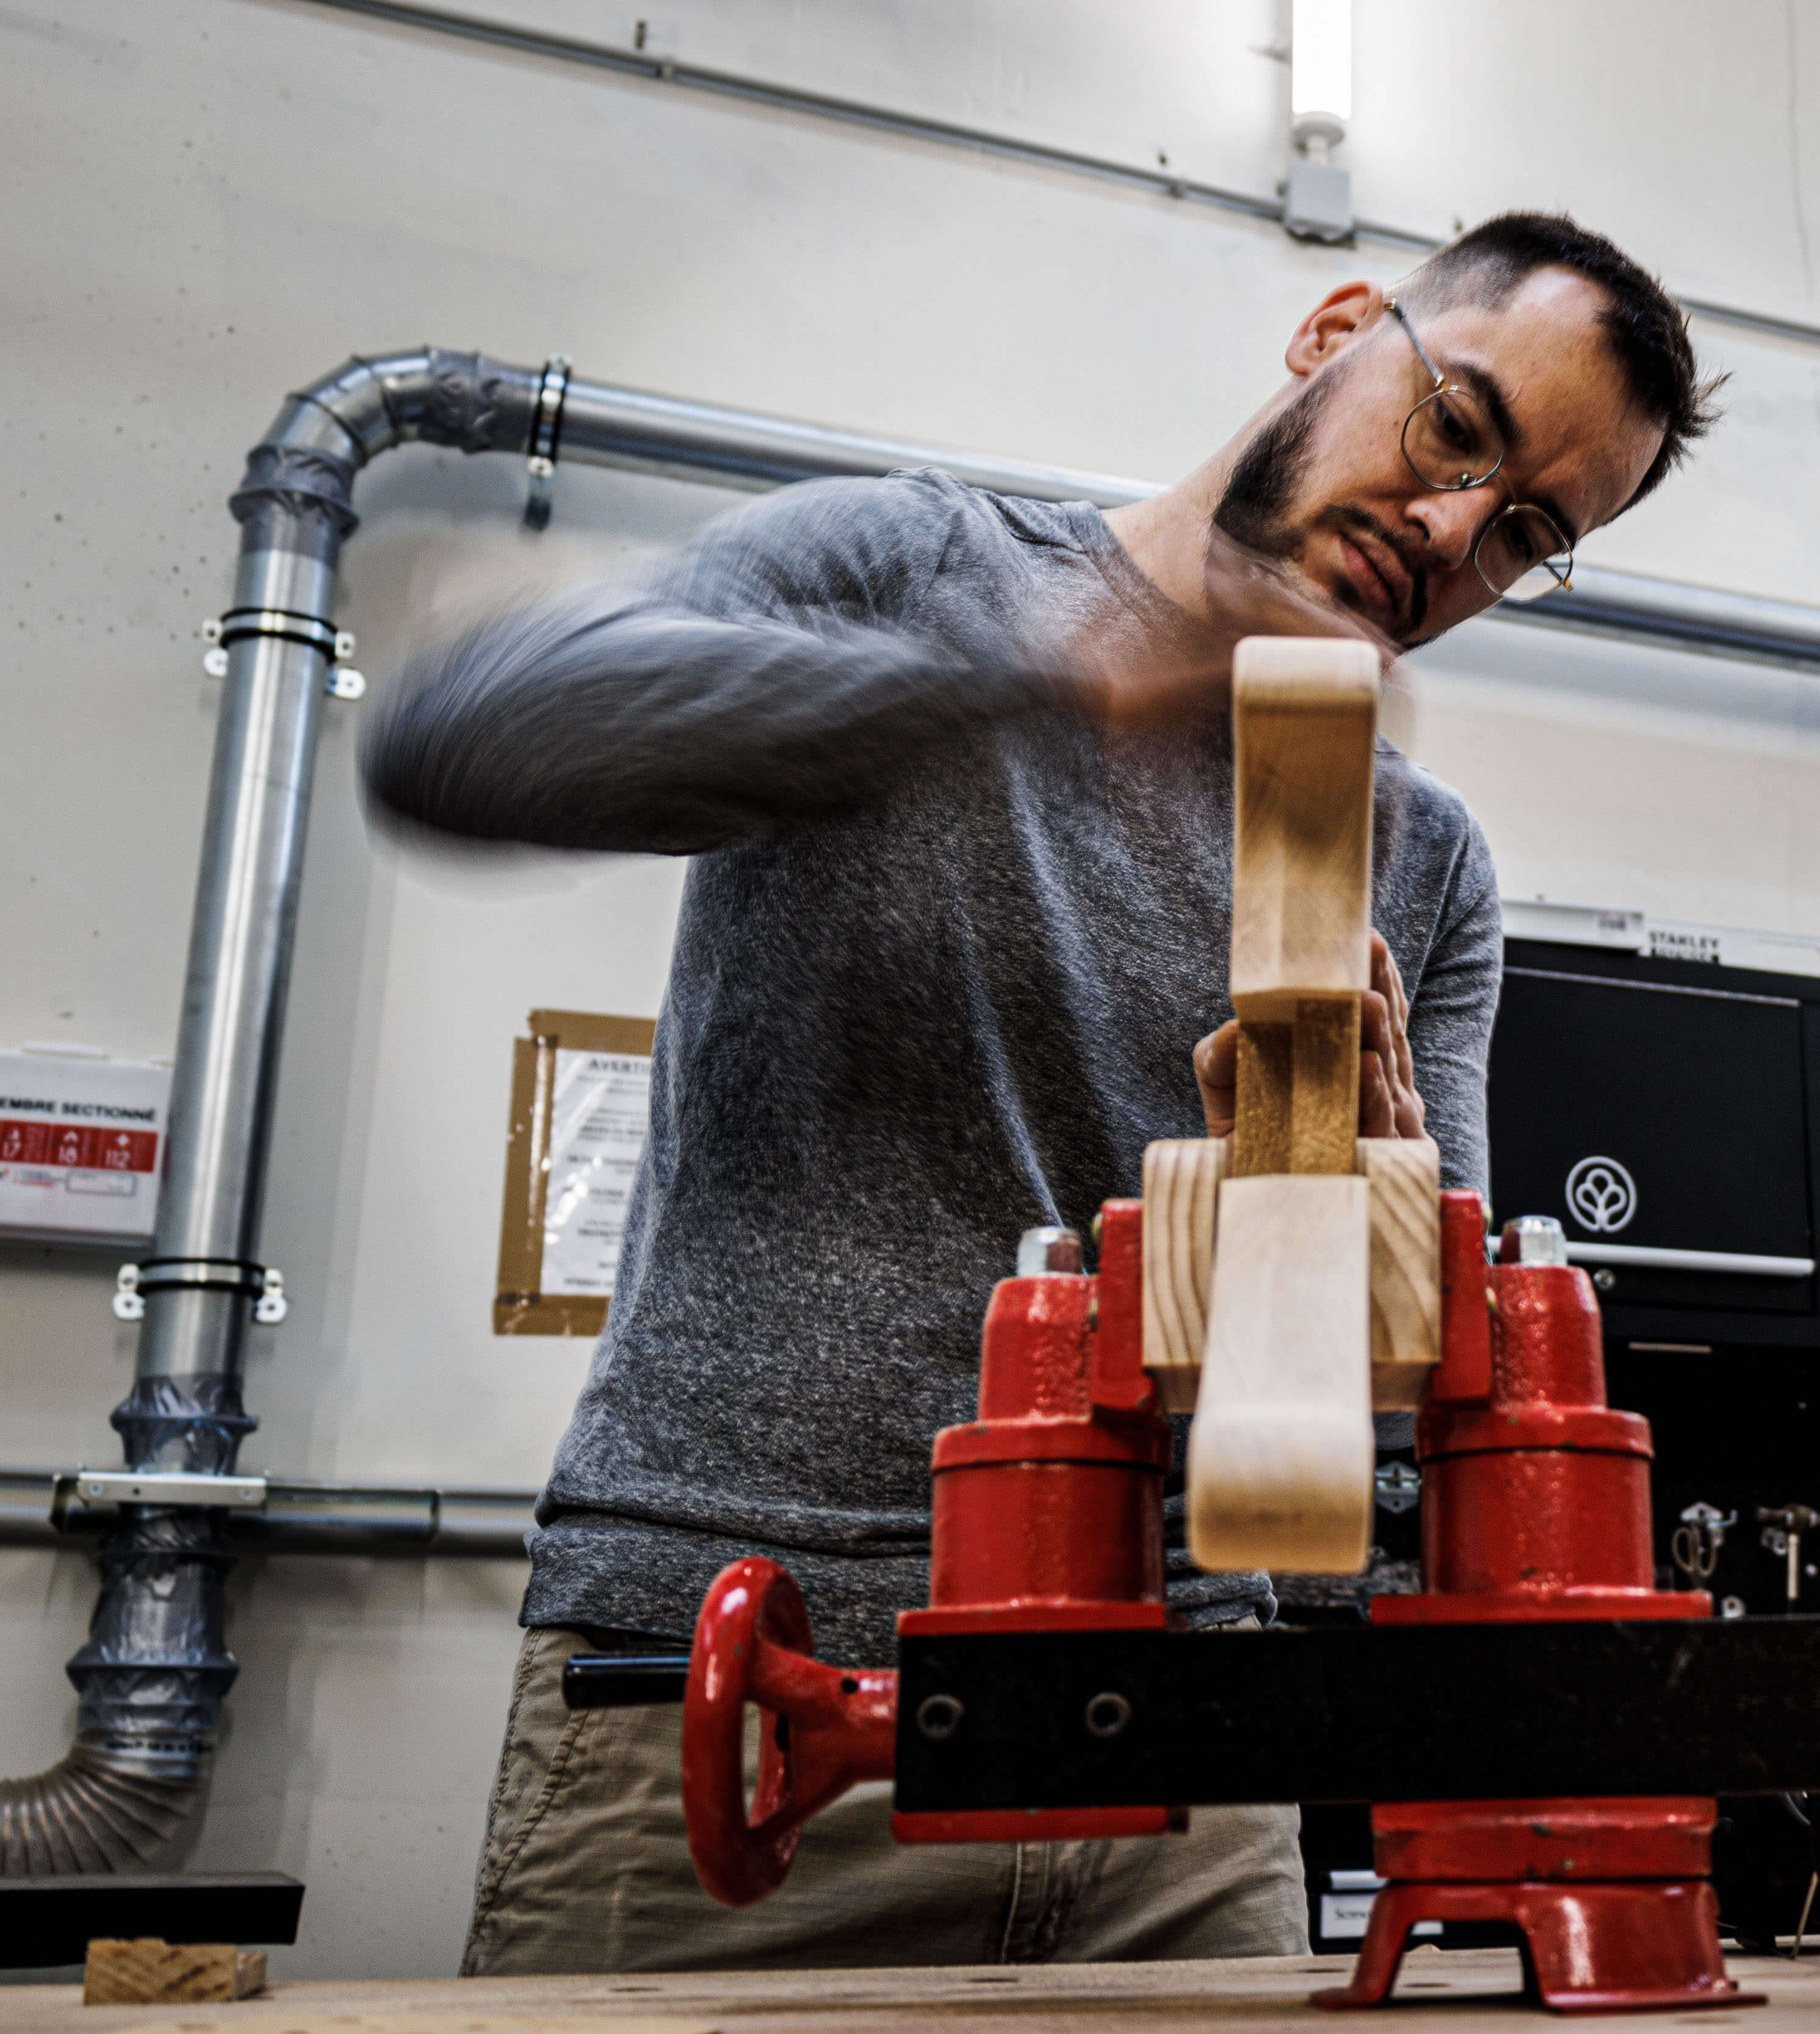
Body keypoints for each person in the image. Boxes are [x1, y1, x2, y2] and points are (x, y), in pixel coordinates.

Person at [364, 211, 1722, 1976]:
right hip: (750, 1685)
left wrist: (1382, 1220)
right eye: (1457, 427)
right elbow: (463, 735)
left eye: (1531, 531)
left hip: (1191, 1764)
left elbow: (1406, 1399)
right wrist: (1025, 686)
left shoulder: (1420, 858)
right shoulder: (909, 564)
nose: (1457, 530)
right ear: (1332, 333)